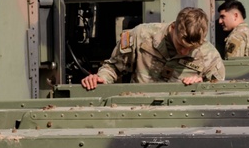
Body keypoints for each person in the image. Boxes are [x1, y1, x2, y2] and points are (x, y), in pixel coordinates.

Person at [80, 7, 224, 90]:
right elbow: (114, 67)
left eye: (191, 49)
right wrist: (101, 78)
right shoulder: (141, 35)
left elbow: (218, 93)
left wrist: (202, 87)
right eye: (180, 45)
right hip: (138, 110)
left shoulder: (210, 56)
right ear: (173, 28)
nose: (183, 52)